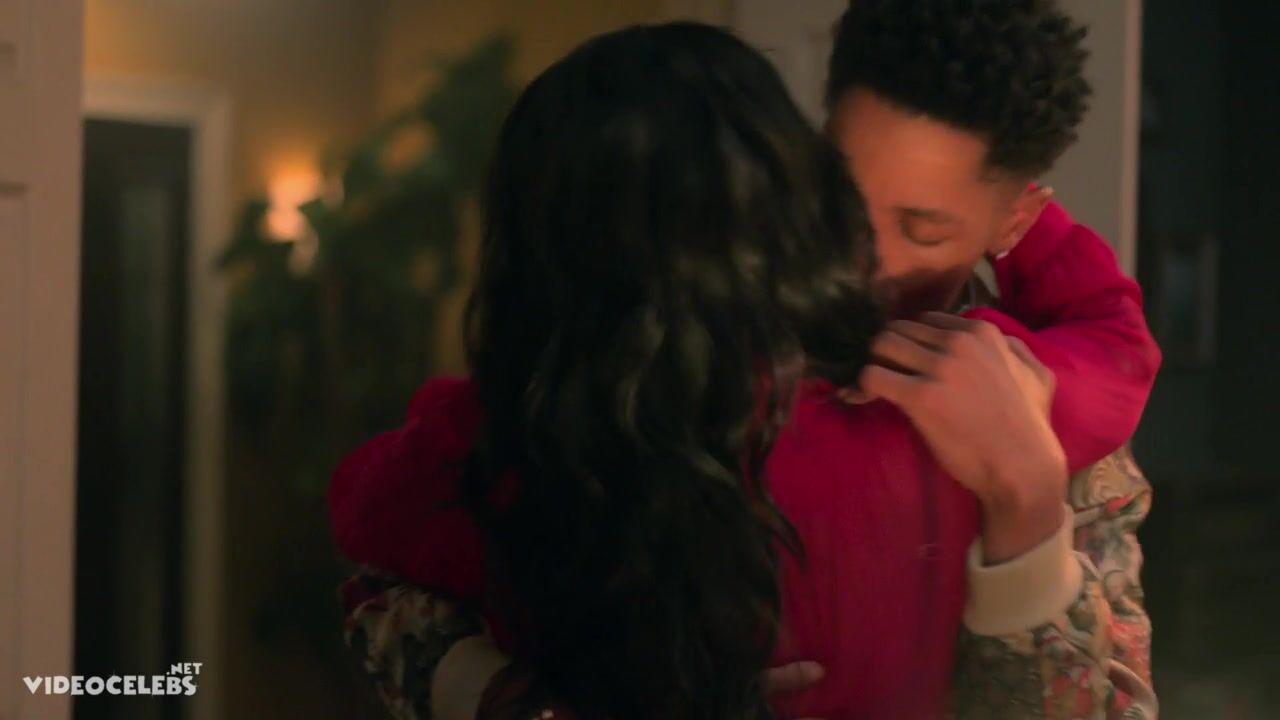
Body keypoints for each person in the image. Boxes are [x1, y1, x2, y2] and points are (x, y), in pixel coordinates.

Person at [335, 0, 1162, 715]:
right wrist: (535, 701)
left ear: (1014, 223)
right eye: (835, 194)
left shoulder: (1042, 398)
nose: (853, 254)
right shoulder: (678, 332)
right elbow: (387, 592)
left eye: (921, 230)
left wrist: (1026, 499)